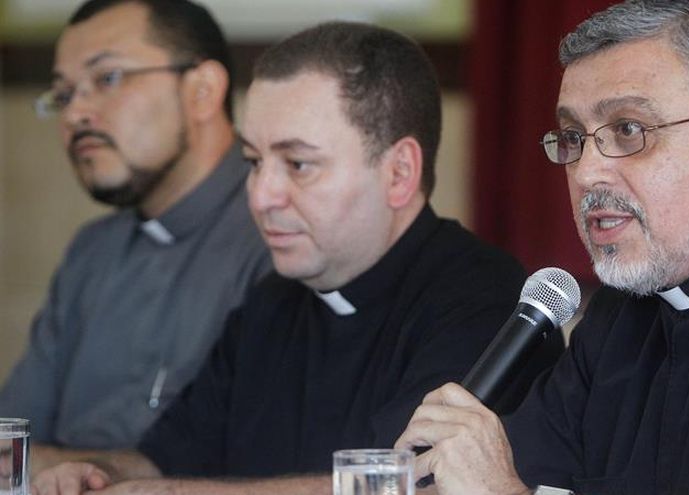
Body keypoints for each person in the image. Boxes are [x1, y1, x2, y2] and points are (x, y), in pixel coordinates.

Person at [31, 21, 564, 495]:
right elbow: (165, 457)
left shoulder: (487, 304)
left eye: (298, 164)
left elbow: (407, 486)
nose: (261, 195)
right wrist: (99, 473)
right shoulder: (272, 301)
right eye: (253, 162)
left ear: (399, 173)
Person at [395, 1, 689, 494]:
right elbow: (509, 470)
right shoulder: (622, 309)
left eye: (629, 130)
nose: (586, 172)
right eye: (573, 137)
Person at [0, 0, 273, 466]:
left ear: (203, 90)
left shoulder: (281, 236)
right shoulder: (92, 250)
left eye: (108, 78)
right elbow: (12, 443)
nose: (75, 114)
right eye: (63, 95)